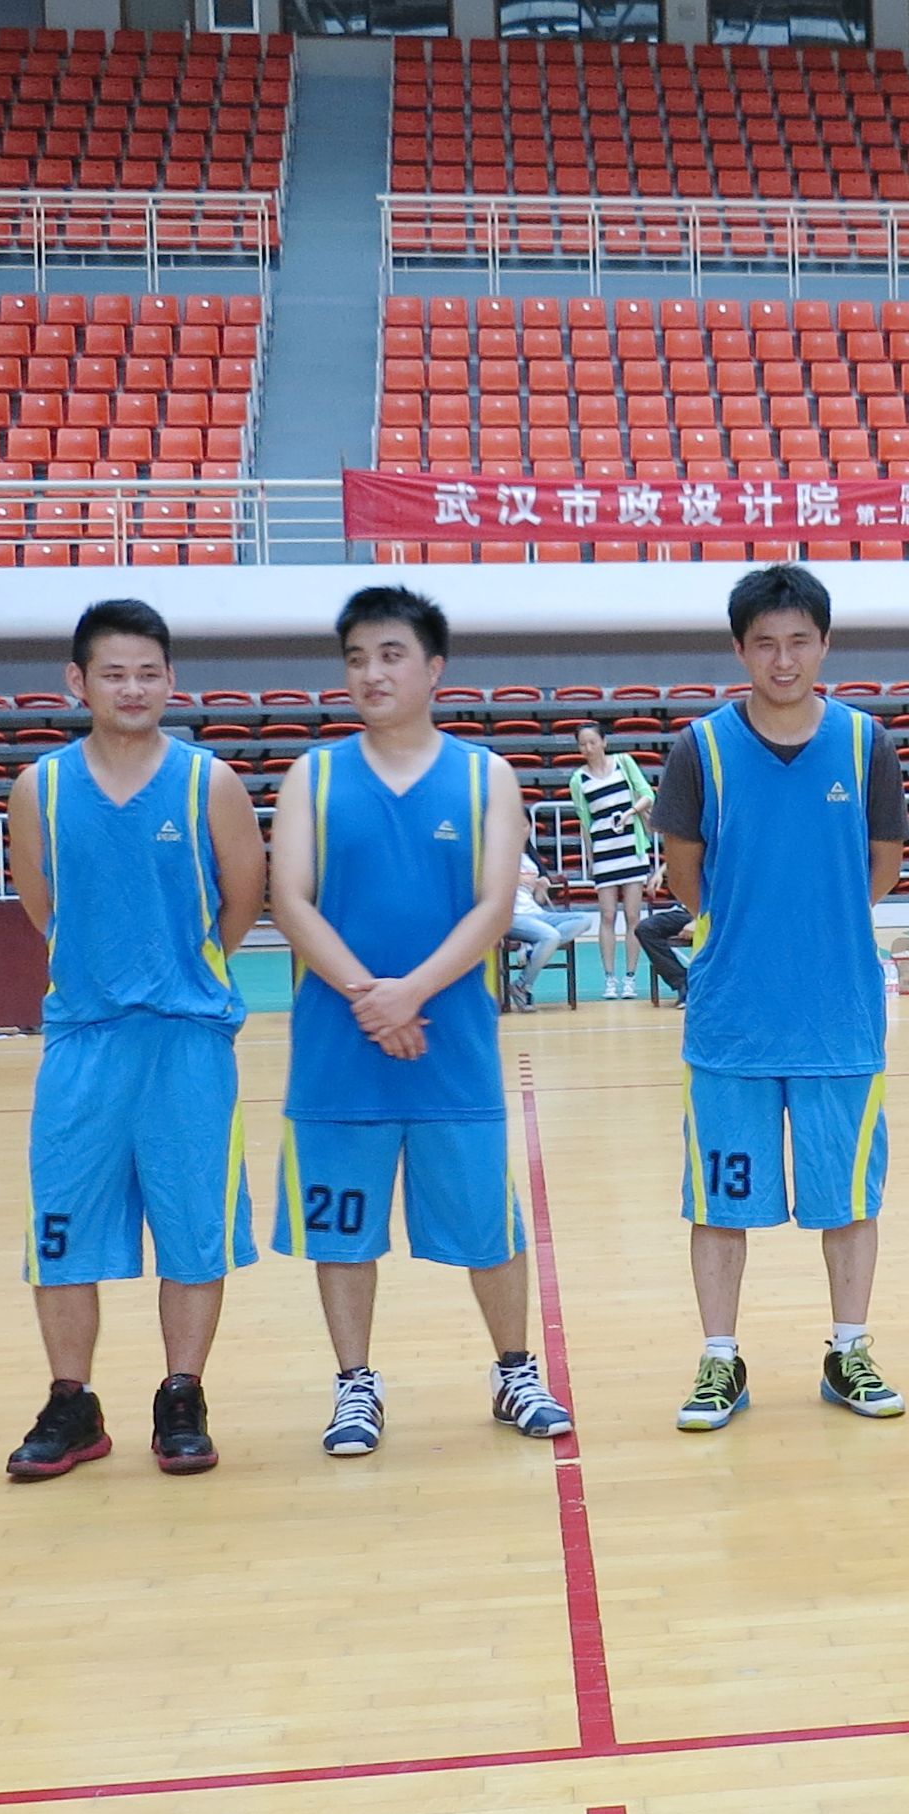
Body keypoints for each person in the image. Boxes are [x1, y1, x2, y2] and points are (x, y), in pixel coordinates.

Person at [265, 586, 574, 1457]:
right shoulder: (313, 776)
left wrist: (411, 994)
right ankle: (355, 1382)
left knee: (488, 1224)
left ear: (434, 669)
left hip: (451, 1045)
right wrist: (372, 994)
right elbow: (290, 900)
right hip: (340, 1050)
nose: (372, 672)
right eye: (357, 658)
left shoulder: (485, 776)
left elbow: (493, 906)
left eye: (391, 654)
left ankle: (514, 1369)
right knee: (342, 1230)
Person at [4, 599, 264, 1482]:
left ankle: (181, 1395)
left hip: (187, 1042)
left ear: (171, 680)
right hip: (82, 1042)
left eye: (149, 672)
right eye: (113, 673)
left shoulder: (208, 784)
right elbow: (43, 906)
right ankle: (71, 1402)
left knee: (193, 1231)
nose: (132, 688)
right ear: (77, 682)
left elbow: (242, 899)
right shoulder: (38, 789)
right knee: (60, 1231)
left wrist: (181, 971)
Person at [656, 564, 909, 1431]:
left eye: (799, 640)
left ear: (824, 644)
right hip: (732, 1024)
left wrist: (819, 922)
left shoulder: (867, 744)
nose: (783, 659)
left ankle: (850, 1351)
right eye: (765, 643)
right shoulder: (700, 750)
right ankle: (719, 1360)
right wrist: (753, 930)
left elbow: (883, 866)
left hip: (840, 1019)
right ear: (740, 650)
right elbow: (685, 875)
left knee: (850, 1199)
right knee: (717, 1205)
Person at [566, 722, 655, 1001]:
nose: (588, 748)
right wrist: (591, 859)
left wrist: (630, 813)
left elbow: (648, 794)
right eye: (583, 744)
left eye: (592, 742)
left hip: (631, 849)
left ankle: (630, 978)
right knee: (607, 915)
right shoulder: (578, 780)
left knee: (632, 915)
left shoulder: (624, 763)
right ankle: (609, 979)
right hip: (604, 851)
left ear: (604, 742)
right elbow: (585, 822)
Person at [504, 849, 593, 1011]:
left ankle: (533, 949)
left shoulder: (529, 857)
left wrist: (540, 887)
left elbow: (538, 899)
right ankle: (522, 985)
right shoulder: (496, 853)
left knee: (584, 919)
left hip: (536, 912)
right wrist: (513, 879)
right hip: (513, 915)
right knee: (550, 936)